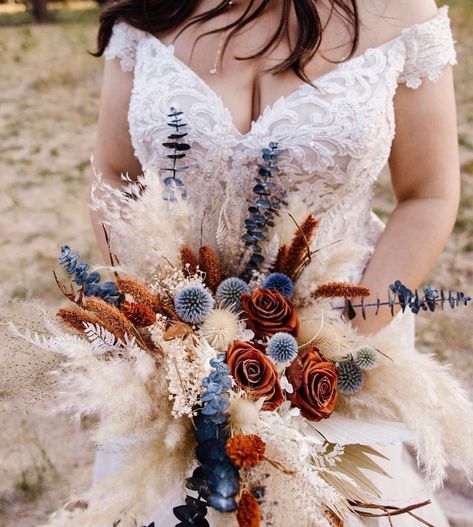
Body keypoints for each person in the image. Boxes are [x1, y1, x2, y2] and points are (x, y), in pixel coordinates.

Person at [90, 0, 460, 525]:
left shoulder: (402, 13)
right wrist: (157, 322)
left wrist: (333, 347)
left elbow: (429, 193)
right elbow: (113, 170)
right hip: (175, 352)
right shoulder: (146, 12)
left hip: (338, 342)